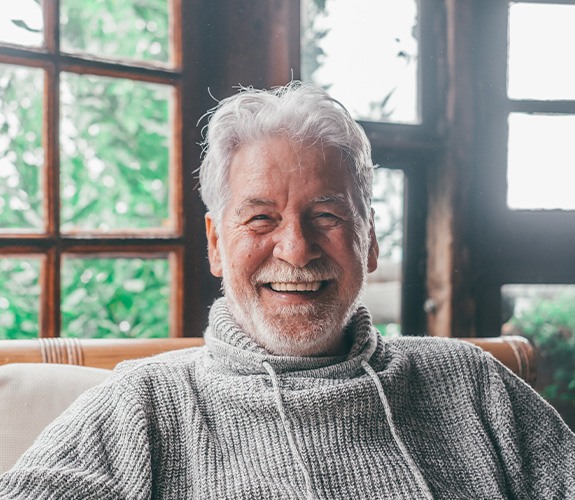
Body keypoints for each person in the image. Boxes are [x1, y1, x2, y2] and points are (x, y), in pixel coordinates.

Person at [1, 82, 574, 499]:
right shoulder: (143, 404)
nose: (296, 249)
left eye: (326, 216)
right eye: (261, 219)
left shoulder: (474, 384)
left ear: (369, 241)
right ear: (216, 245)